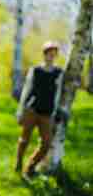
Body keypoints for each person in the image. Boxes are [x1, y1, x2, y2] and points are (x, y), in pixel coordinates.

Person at [15, 41, 64, 178]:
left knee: (46, 143)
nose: (51, 56)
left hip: (47, 113)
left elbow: (59, 93)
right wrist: (20, 111)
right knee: (24, 139)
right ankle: (18, 162)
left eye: (54, 54)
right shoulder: (35, 70)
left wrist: (56, 112)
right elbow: (26, 90)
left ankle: (30, 167)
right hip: (32, 110)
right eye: (49, 53)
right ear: (44, 54)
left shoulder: (59, 72)